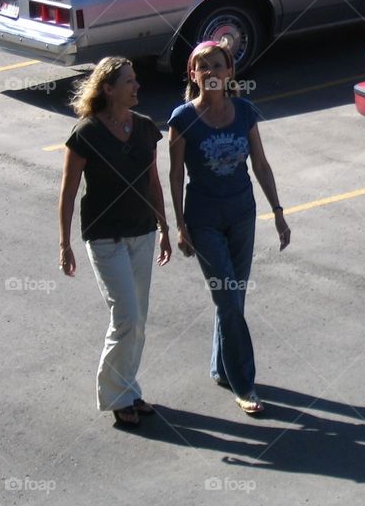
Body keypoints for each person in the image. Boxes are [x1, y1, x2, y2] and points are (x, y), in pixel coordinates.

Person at [168, 41, 290, 416]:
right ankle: (244, 383)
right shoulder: (182, 118)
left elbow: (261, 165)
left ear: (230, 72)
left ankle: (221, 367)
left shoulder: (244, 111)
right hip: (204, 220)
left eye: (217, 66)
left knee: (234, 298)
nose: (211, 73)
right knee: (227, 295)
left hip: (242, 214)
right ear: (193, 75)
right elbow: (174, 174)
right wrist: (179, 224)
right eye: (202, 67)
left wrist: (278, 211)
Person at [58, 56, 173, 428]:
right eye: (129, 82)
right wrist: (65, 243)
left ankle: (128, 388)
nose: (137, 86)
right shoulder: (86, 133)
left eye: (136, 80)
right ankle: (116, 396)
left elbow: (153, 180)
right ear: (108, 89)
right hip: (104, 236)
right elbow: (69, 192)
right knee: (125, 316)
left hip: (142, 232)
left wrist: (165, 226)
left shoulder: (144, 128)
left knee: (138, 319)